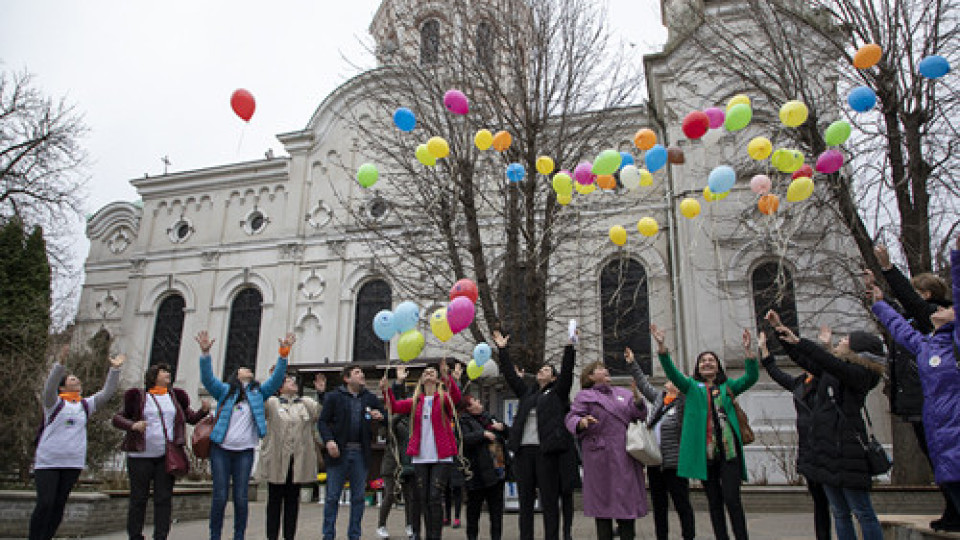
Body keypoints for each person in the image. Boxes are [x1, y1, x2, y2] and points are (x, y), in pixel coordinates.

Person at [765, 310, 885, 540]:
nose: (840, 342)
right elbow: (807, 361)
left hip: (847, 451)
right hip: (827, 450)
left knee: (862, 511)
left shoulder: (860, 374)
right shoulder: (836, 372)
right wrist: (781, 332)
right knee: (839, 512)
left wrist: (801, 341)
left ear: (856, 351)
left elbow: (826, 361)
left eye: (845, 341)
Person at [869, 244, 959, 531]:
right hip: (935, 419)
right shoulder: (927, 343)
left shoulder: (953, 337)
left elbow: (912, 303)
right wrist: (880, 303)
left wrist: (888, 268)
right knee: (944, 469)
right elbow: (899, 326)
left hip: (954, 419)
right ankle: (953, 512)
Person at [654, 324, 758, 540]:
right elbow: (671, 372)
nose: (707, 363)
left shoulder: (727, 386)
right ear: (698, 368)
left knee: (732, 499)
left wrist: (748, 353)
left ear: (718, 366)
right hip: (706, 455)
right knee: (714, 501)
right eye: (703, 361)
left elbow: (751, 378)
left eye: (711, 360)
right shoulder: (691, 387)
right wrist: (662, 347)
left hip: (729, 453)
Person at [197, 330, 295, 540]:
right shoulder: (225, 391)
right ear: (236, 375)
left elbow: (277, 379)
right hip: (221, 451)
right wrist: (205, 354)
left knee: (241, 497)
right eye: (244, 368)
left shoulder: (258, 394)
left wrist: (284, 353)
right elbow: (207, 379)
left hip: (245, 452)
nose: (248, 369)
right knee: (220, 496)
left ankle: (238, 535)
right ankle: (215, 535)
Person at [493, 330, 579, 540]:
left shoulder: (558, 393)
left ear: (553, 377)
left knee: (549, 502)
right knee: (525, 503)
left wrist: (570, 347)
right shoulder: (528, 394)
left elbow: (567, 373)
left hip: (545, 453)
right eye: (541, 369)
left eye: (547, 369)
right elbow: (511, 377)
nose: (542, 371)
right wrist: (502, 350)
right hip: (524, 454)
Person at [30, 348, 123, 540]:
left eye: (77, 380)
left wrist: (114, 371)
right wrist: (60, 365)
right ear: (62, 387)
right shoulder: (53, 404)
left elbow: (106, 394)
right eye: (72, 380)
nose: (77, 382)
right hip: (48, 462)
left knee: (58, 504)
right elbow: (48, 388)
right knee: (45, 503)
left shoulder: (85, 405)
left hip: (72, 462)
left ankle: (47, 536)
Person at [112, 363, 209, 540]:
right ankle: (135, 535)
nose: (168, 374)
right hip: (140, 456)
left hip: (165, 456)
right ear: (153, 376)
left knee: (163, 498)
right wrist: (133, 425)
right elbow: (118, 418)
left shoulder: (175, 397)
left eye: (168, 371)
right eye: (164, 371)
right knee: (138, 499)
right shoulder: (139, 397)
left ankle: (161, 535)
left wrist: (203, 411)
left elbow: (191, 418)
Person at [565, 354, 649, 540]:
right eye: (600, 369)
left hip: (624, 455)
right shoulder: (584, 396)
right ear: (590, 377)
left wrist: (637, 400)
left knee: (626, 504)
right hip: (599, 457)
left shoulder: (623, 393)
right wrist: (581, 422)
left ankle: (627, 534)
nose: (606, 370)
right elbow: (571, 418)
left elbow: (639, 416)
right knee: (602, 506)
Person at [758, 330, 830, 540]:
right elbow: (776, 373)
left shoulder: (828, 380)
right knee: (819, 503)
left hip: (828, 449)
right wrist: (764, 350)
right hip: (809, 449)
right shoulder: (800, 383)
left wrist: (826, 348)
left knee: (837, 502)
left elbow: (831, 364)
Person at [381, 360, 462, 540]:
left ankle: (435, 536)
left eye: (433, 372)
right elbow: (393, 406)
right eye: (426, 372)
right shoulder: (416, 401)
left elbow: (456, 398)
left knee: (434, 496)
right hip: (420, 457)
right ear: (421, 380)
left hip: (441, 457)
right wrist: (387, 389)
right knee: (421, 498)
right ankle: (420, 534)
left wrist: (446, 375)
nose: (429, 374)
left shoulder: (443, 399)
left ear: (437, 378)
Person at [625, 347, 695, 540]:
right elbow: (643, 384)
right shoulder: (659, 399)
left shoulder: (684, 403)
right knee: (659, 506)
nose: (668, 381)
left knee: (682, 505)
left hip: (674, 464)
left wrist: (683, 394)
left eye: (674, 380)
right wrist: (632, 363)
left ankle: (689, 536)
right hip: (656, 463)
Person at [318, 364, 386, 540]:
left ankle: (354, 535)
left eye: (362, 372)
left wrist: (381, 415)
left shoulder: (369, 398)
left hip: (360, 454)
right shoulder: (334, 397)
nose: (362, 375)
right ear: (347, 378)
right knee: (332, 497)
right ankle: (328, 535)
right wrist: (329, 441)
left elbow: (384, 414)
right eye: (357, 372)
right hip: (338, 453)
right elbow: (322, 422)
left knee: (358, 498)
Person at [260, 372, 324, 540]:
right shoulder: (272, 403)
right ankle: (271, 536)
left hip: (297, 460)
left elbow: (322, 413)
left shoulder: (306, 403)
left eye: (294, 381)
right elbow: (258, 403)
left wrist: (321, 393)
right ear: (280, 387)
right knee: (274, 501)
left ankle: (290, 536)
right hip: (277, 459)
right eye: (288, 381)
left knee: (292, 502)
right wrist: (271, 381)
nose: (293, 383)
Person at [458, 394, 510, 540]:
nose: (479, 402)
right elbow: (464, 439)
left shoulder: (490, 417)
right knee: (474, 511)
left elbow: (507, 434)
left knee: (496, 512)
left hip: (497, 469)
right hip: (477, 472)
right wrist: (483, 434)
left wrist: (503, 427)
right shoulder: (463, 420)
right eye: (474, 401)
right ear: (468, 407)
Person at [377, 365, 418, 540]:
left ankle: (410, 525)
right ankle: (381, 525)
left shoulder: (414, 421)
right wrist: (398, 382)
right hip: (392, 462)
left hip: (410, 462)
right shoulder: (392, 419)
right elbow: (391, 408)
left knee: (410, 496)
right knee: (390, 494)